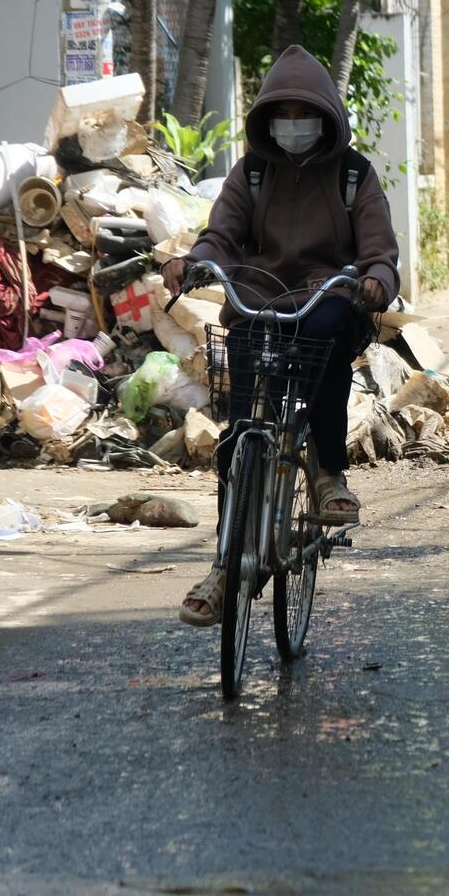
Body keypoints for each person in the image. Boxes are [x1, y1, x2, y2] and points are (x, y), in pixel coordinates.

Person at [165, 45, 401, 627]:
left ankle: (326, 474)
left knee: (325, 341)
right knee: (238, 435)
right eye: (283, 112)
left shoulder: (354, 176)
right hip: (259, 303)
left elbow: (380, 249)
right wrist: (196, 260)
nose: (293, 124)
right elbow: (219, 235)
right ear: (267, 118)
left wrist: (376, 280)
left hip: (326, 300)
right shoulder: (250, 173)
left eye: (305, 112)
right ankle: (225, 565)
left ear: (325, 116)